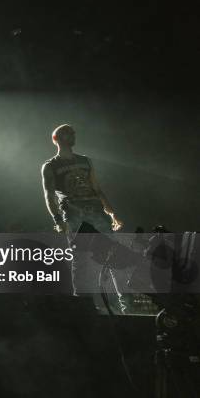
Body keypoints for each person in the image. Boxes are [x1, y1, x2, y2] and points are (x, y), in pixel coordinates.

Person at [41, 124, 125, 306]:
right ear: (57, 139)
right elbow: (48, 195)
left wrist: (112, 213)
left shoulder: (85, 160)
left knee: (113, 255)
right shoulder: (51, 165)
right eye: (67, 134)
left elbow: (97, 188)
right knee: (81, 260)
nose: (72, 136)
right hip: (74, 214)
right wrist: (57, 220)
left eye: (72, 133)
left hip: (96, 212)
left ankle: (125, 301)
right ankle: (83, 306)